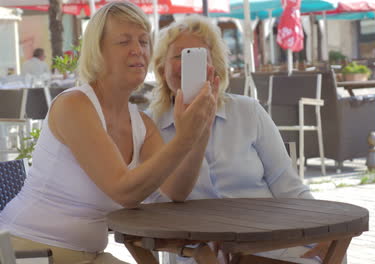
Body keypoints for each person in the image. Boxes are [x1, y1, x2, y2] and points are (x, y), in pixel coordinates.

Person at [0, 2, 217, 264]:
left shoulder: (142, 125)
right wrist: (184, 138)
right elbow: (123, 191)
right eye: (124, 41)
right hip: (28, 251)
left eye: (143, 41)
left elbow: (177, 190)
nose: (138, 50)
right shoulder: (74, 105)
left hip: (88, 255)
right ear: (98, 51)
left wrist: (200, 130)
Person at [147, 15, 330, 264]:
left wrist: (324, 229)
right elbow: (156, 209)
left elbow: (287, 184)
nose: (188, 65)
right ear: (161, 69)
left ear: (216, 68)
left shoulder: (248, 111)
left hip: (270, 242)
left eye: (200, 57)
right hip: (200, 254)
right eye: (180, 56)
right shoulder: (150, 126)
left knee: (327, 252)